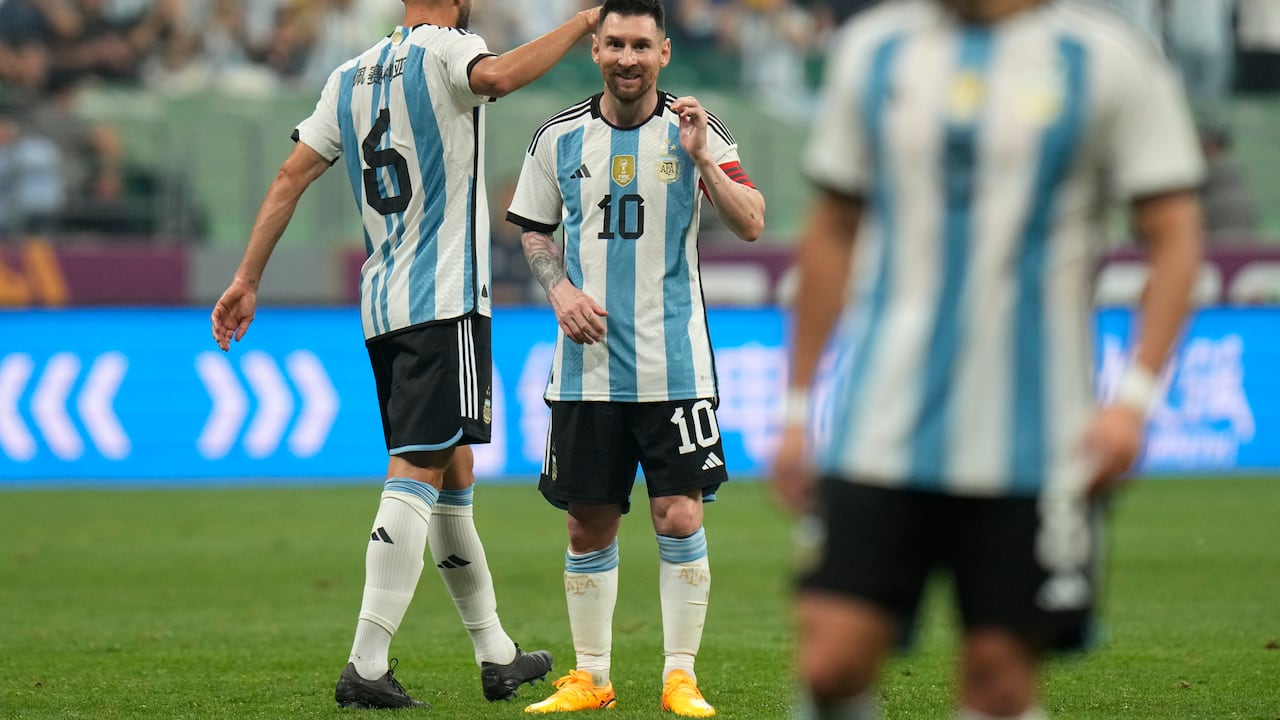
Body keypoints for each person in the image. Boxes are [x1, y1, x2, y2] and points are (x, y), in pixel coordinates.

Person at [770, 1, 1205, 719]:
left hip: (1039, 437)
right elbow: (833, 230)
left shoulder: (1107, 58)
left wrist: (1134, 399)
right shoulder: (874, 50)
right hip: (880, 420)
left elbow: (1175, 233)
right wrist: (794, 409)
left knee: (999, 680)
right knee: (830, 658)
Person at [209, 0, 603, 710]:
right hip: (445, 299)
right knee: (419, 468)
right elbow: (502, 76)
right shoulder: (450, 49)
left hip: (382, 304)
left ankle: (497, 653)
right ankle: (366, 662)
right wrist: (582, 23)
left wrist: (245, 279)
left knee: (453, 470)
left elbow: (287, 178)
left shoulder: (349, 75)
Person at [505, 0, 765, 715]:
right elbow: (532, 230)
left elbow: (752, 222)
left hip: (674, 367)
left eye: (640, 46)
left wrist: (703, 158)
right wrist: (559, 293)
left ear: (665, 53)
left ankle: (680, 675)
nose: (626, 57)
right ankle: (592, 677)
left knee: (679, 515)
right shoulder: (557, 138)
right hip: (586, 371)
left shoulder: (698, 130)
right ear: (595, 50)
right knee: (587, 521)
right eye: (614, 43)